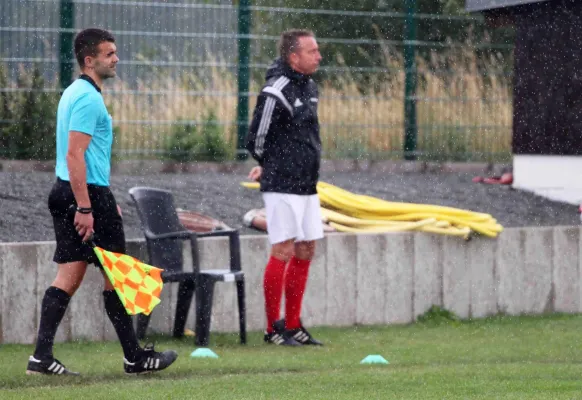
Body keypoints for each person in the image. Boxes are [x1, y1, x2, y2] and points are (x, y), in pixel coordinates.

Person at [26, 28, 178, 376]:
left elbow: (81, 158)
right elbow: (74, 154)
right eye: (109, 54)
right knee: (118, 275)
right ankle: (134, 358)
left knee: (70, 275)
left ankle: (41, 356)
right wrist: (87, 206)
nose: (116, 59)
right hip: (84, 196)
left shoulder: (75, 92)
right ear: (89, 60)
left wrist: (101, 200)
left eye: (115, 52)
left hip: (75, 192)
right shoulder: (88, 98)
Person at [246, 29, 324, 346]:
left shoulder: (310, 86)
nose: (318, 56)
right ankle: (271, 328)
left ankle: (293, 325)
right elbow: (256, 137)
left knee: (306, 249)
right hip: (281, 184)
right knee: (283, 249)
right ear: (294, 57)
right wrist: (273, 165)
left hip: (307, 183)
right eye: (312, 51)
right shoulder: (275, 90)